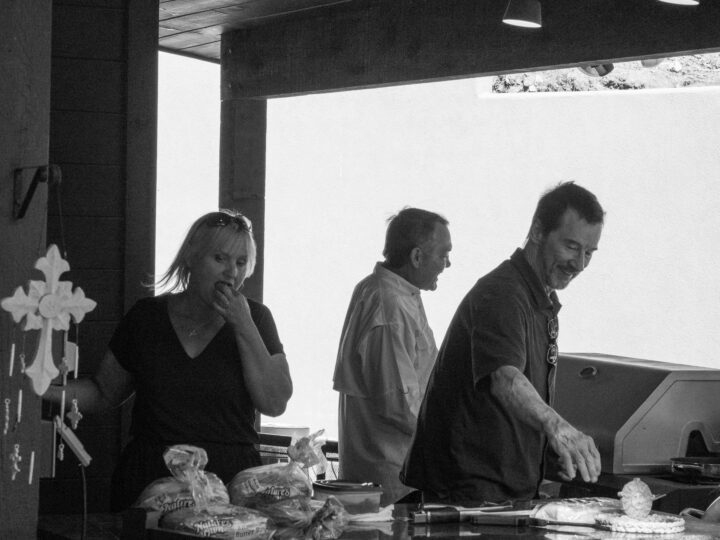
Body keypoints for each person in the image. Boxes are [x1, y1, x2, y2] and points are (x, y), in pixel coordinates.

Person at [46, 210, 292, 510]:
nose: (232, 273)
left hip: (228, 487)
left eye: (241, 263)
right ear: (191, 256)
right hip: (151, 480)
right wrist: (42, 390)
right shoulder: (146, 317)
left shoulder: (258, 318)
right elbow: (103, 393)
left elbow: (275, 402)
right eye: (220, 258)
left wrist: (245, 326)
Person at [401, 181, 604, 505]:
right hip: (465, 498)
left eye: (589, 253)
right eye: (571, 246)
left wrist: (549, 454)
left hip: (504, 496)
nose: (579, 264)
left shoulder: (540, 300)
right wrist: (558, 428)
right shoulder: (504, 294)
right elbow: (504, 377)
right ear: (538, 231)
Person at [333, 207, 452, 506]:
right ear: (416, 257)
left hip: (395, 473)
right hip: (393, 478)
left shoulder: (390, 292)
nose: (447, 264)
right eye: (443, 254)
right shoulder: (390, 303)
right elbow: (399, 403)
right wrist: (457, 439)